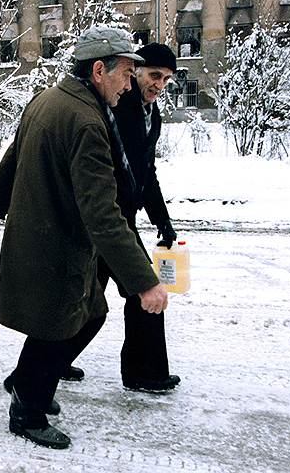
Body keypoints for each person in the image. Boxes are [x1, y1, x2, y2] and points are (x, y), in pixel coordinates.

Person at [0, 26, 168, 449]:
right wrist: (144, 282)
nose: (129, 83)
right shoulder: (87, 122)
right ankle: (27, 410)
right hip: (58, 244)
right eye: (125, 74)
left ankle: (26, 383)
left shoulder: (48, 99)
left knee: (83, 315)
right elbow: (103, 214)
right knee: (63, 322)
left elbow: (12, 155)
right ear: (99, 70)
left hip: (40, 235)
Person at [102, 42, 181, 392]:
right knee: (142, 291)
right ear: (135, 71)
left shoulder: (152, 115)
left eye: (166, 79)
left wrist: (162, 220)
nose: (159, 85)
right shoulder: (119, 108)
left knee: (92, 300)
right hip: (103, 218)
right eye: (154, 75)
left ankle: (145, 372)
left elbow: (146, 174)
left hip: (122, 219)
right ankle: (144, 373)